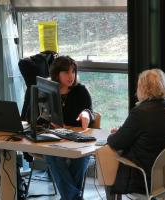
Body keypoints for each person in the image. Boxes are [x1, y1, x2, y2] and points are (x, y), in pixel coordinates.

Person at [106, 69, 165, 199]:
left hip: (143, 176)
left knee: (106, 154)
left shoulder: (140, 113)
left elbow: (116, 142)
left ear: (143, 88)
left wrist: (113, 134)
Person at [45, 55, 95, 200]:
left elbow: (89, 111)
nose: (71, 76)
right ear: (57, 74)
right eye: (66, 72)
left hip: (77, 141)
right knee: (53, 154)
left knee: (80, 158)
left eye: (73, 72)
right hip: (54, 139)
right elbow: (33, 115)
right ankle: (74, 197)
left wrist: (86, 114)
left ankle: (70, 197)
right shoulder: (48, 90)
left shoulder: (81, 91)